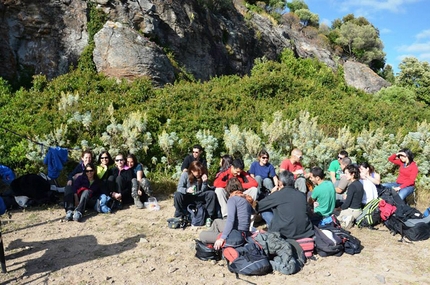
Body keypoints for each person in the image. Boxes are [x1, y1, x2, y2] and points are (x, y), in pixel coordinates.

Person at [257, 170, 314, 239]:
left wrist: (271, 195)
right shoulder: (302, 195)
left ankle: (272, 230)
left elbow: (259, 207)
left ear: (280, 182)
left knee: (265, 211)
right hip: (305, 232)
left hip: (284, 234)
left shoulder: (277, 195)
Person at [199, 178, 254, 248]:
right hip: (244, 232)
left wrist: (222, 238)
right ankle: (212, 241)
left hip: (236, 232)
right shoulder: (245, 199)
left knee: (202, 235)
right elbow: (253, 212)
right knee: (217, 222)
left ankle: (214, 241)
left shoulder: (232, 199)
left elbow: (230, 220)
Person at [174, 161, 217, 225]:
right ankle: (180, 214)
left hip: (198, 196)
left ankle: (209, 216)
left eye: (200, 172)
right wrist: (186, 190)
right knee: (177, 194)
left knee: (211, 194)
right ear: (192, 170)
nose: (199, 174)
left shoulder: (202, 176)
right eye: (198, 172)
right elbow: (179, 188)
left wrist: (204, 182)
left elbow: (203, 190)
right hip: (188, 196)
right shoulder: (185, 175)